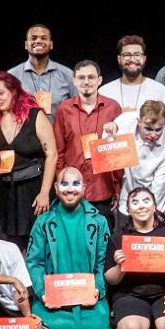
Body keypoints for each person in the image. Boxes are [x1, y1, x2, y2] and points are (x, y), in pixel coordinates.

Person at [26, 167, 112, 329]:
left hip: (89, 303)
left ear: (84, 188)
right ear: (56, 188)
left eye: (76, 184)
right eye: (64, 184)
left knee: (97, 323)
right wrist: (42, 293)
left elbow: (103, 262)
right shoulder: (43, 222)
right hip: (53, 304)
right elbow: (34, 262)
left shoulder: (99, 221)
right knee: (45, 326)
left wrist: (97, 288)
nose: (70, 189)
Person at [0, 71, 58, 249]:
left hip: (34, 189)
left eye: (0, 93)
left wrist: (44, 193)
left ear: (13, 90)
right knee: (11, 245)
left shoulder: (34, 115)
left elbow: (52, 155)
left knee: (40, 243)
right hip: (6, 192)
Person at [105, 187, 165, 329]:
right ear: (128, 209)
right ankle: (142, 321)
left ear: (155, 206)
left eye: (146, 201)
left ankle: (154, 321)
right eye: (135, 202)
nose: (141, 206)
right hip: (129, 294)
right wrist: (121, 266)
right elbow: (110, 279)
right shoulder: (119, 237)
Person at [53, 60, 123, 227]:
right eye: (81, 77)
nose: (86, 82)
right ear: (74, 81)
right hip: (72, 191)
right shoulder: (64, 110)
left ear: (99, 80)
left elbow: (119, 153)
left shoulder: (113, 107)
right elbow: (59, 151)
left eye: (91, 77)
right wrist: (62, 186)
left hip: (102, 189)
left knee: (102, 239)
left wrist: (117, 187)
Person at [99, 35, 165, 132]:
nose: (132, 59)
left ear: (144, 58)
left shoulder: (158, 89)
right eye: (127, 55)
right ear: (119, 59)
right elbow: (98, 126)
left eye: (137, 55)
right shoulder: (104, 92)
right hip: (116, 141)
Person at [120, 101, 165, 216]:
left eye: (158, 130)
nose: (153, 135)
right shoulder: (124, 123)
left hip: (152, 192)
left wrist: (153, 214)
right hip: (124, 191)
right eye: (148, 129)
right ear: (138, 121)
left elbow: (160, 183)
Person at [8, 24, 77, 120]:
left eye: (44, 38)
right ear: (26, 45)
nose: (38, 41)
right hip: (23, 129)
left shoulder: (67, 74)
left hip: (59, 129)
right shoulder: (11, 76)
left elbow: (79, 107)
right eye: (33, 38)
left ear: (51, 45)